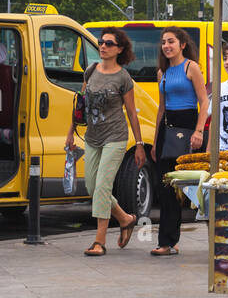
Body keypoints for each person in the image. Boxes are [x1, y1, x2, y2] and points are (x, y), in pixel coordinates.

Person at [67, 28, 147, 255]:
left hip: (115, 137)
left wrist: (139, 144)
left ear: (119, 49)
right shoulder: (91, 71)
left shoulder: (123, 78)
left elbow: (132, 113)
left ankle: (99, 241)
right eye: (101, 42)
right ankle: (125, 218)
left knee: (103, 186)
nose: (102, 46)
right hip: (92, 137)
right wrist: (71, 132)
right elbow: (80, 104)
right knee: (93, 187)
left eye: (109, 43)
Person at [149, 27, 208, 257]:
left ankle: (179, 239)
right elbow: (161, 108)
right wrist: (155, 141)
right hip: (167, 129)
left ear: (182, 44)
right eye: (164, 42)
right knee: (165, 187)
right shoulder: (161, 72)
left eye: (171, 41)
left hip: (188, 127)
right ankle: (167, 242)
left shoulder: (191, 67)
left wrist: (199, 131)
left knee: (187, 187)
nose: (166, 45)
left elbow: (204, 102)